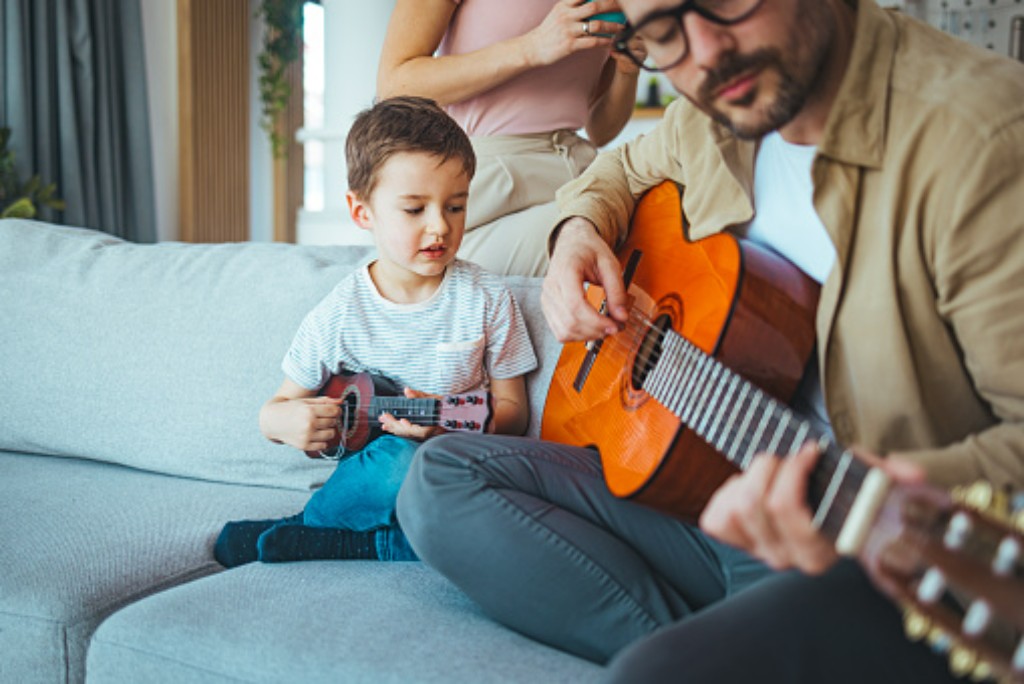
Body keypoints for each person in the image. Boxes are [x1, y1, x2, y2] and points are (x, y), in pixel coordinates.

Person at [395, 0, 1024, 682]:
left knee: (654, 674)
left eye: (722, 2)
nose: (704, 52)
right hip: (704, 484)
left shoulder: (982, 142)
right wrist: (577, 232)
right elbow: (620, 170)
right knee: (438, 479)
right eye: (662, 33)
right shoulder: (714, 110)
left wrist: (873, 490)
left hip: (855, 536)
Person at [214, 96, 537, 567]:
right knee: (397, 462)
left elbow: (515, 413)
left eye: (455, 206)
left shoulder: (487, 298)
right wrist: (283, 423)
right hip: (377, 474)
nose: (439, 226)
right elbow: (275, 410)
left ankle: (318, 534)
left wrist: (444, 422)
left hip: (454, 470)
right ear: (362, 211)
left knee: (501, 514)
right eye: (414, 209)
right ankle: (341, 530)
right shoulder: (339, 314)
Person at [376, 0, 646, 277]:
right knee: (629, 241)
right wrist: (533, 46)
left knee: (648, 228)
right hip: (485, 181)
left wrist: (627, 70)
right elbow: (395, 85)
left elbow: (600, 130)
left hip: (576, 168)